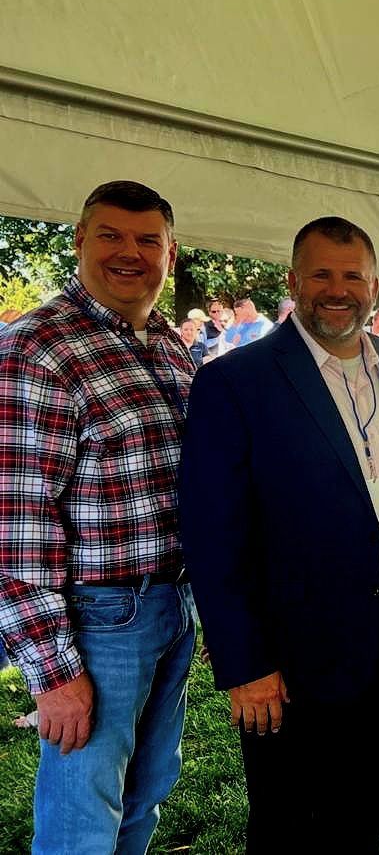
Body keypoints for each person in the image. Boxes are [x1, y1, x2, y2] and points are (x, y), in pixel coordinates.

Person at [180, 216, 379, 854]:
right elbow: (213, 533)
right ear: (294, 283)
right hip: (289, 649)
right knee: (288, 819)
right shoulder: (236, 381)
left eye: (353, 276)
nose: (338, 289)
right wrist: (246, 663)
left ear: (375, 287)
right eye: (321, 274)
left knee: (364, 798)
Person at [0, 180, 196, 853]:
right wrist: (54, 674)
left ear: (171, 253)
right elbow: (17, 525)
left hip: (172, 603)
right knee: (83, 821)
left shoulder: (166, 343)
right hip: (97, 619)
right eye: (110, 235)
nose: (129, 253)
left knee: (144, 796)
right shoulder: (38, 347)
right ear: (80, 240)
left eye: (147, 240)